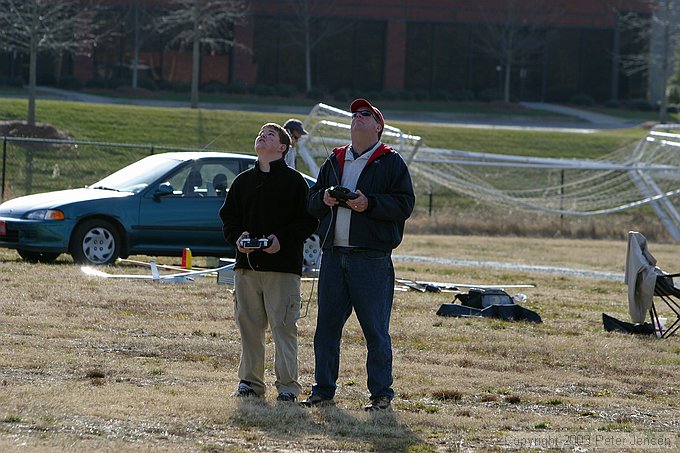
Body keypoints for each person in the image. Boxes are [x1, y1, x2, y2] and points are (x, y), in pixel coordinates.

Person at [303, 99, 415, 411]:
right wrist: (324, 198)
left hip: (371, 259)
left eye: (365, 114)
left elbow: (405, 205)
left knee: (375, 330)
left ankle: (381, 395)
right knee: (326, 328)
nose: (357, 118)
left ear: (379, 126)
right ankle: (322, 391)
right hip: (333, 256)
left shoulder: (390, 161)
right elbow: (310, 200)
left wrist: (370, 204)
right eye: (355, 115)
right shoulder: (336, 158)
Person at [219, 122, 318, 403]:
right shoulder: (243, 182)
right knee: (249, 327)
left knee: (283, 327)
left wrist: (281, 240)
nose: (262, 136)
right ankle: (250, 383)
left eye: (270, 134)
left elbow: (308, 221)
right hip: (246, 268)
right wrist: (239, 237)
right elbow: (228, 218)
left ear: (282, 148)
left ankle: (287, 387)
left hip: (282, 269)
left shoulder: (295, 182)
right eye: (261, 133)